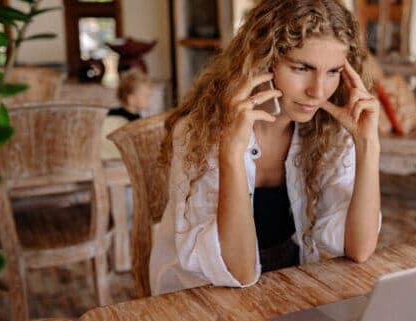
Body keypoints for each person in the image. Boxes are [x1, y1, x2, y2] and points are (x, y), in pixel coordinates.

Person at [151, 0, 381, 295]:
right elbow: (240, 271)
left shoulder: (328, 128)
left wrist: (367, 146)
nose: (318, 91)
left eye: (334, 71)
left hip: (286, 278)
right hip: (202, 292)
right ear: (262, 60)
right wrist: (232, 154)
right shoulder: (200, 131)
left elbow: (359, 249)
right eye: (302, 68)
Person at [100, 69, 152, 160]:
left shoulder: (135, 117)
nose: (148, 100)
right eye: (146, 96)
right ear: (131, 99)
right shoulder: (127, 121)